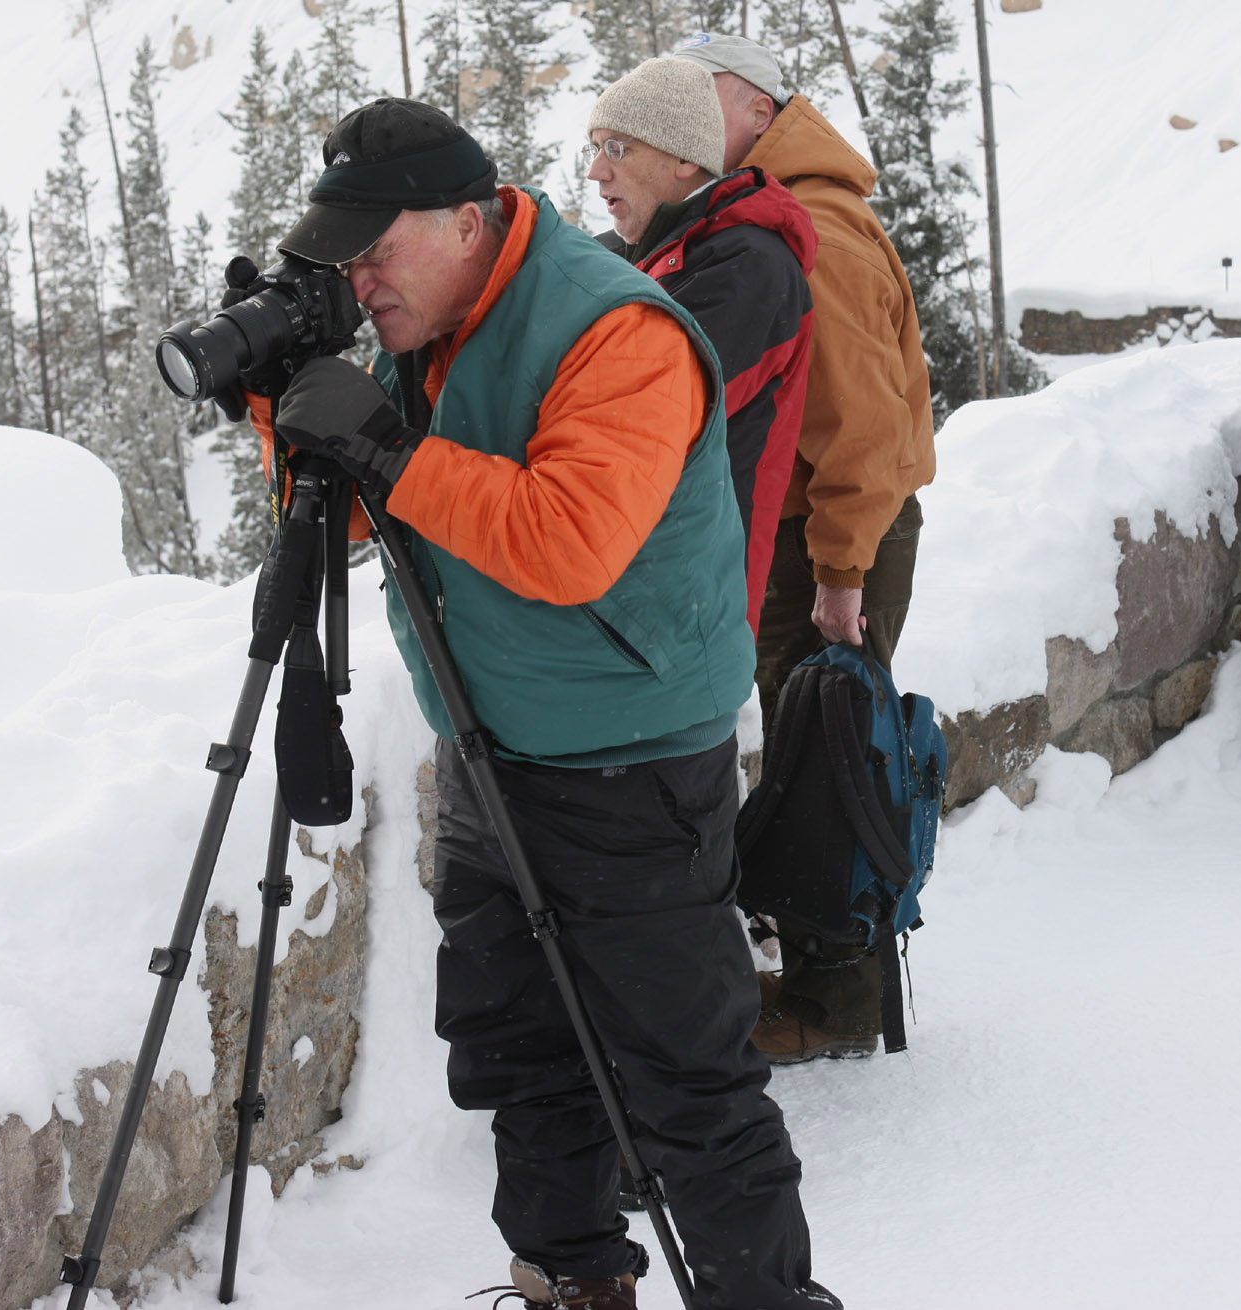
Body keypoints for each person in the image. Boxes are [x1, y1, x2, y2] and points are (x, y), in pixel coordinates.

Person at [255, 98, 840, 1309]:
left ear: (467, 221)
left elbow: (566, 541)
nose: (359, 278)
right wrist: (287, 416)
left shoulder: (614, 329)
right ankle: (568, 1278)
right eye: (344, 254)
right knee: (521, 1045)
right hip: (490, 737)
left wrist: (389, 450)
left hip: (628, 756)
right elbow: (368, 510)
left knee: (683, 1072)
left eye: (378, 247)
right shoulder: (432, 315)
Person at [670, 32, 935, 1063]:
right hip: (819, 529)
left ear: (750, 106)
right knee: (821, 752)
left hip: (827, 535)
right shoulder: (786, 203)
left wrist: (838, 574)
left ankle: (833, 1005)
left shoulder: (810, 224)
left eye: (697, 106)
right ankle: (833, 978)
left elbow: (858, 428)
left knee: (828, 764)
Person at [584, 56, 816, 631]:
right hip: (628, 593)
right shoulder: (634, 253)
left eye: (617, 149)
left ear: (685, 157)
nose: (595, 172)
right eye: (593, 148)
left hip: (689, 612)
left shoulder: (748, 267)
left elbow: (632, 419)